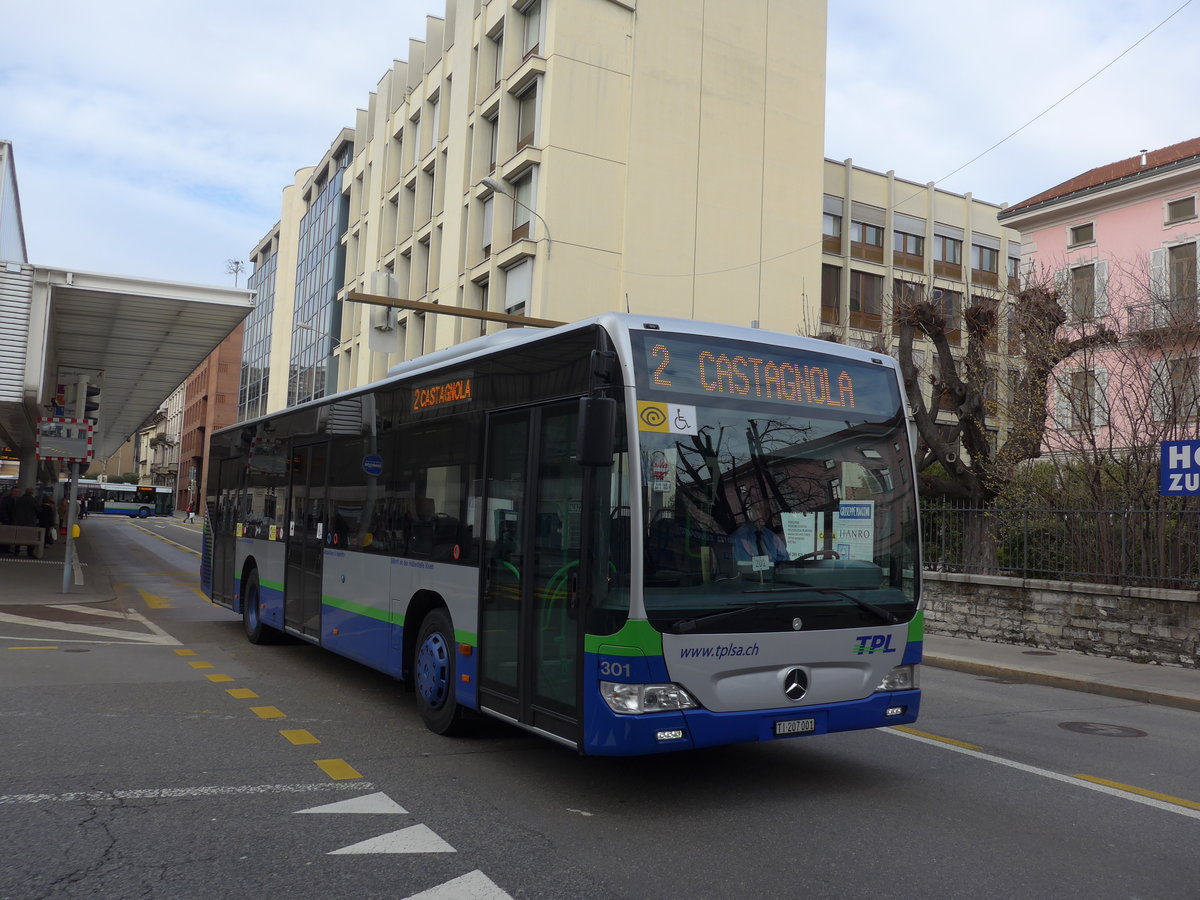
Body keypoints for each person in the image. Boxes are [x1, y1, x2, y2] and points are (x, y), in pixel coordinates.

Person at [14, 488, 41, 557]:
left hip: (19, 522)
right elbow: (38, 510)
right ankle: (30, 552)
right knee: (31, 537)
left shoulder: (19, 500)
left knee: (18, 536)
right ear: (32, 493)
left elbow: (14, 509)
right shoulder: (33, 500)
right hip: (30, 522)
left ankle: (17, 550)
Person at [0, 485, 19, 553]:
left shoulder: (18, 499)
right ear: (11, 492)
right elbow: (3, 509)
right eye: (15, 491)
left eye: (17, 492)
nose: (16, 493)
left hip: (13, 520)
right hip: (7, 520)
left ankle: (7, 548)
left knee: (10, 535)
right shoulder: (6, 499)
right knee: (5, 534)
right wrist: (5, 519)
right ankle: (3, 549)